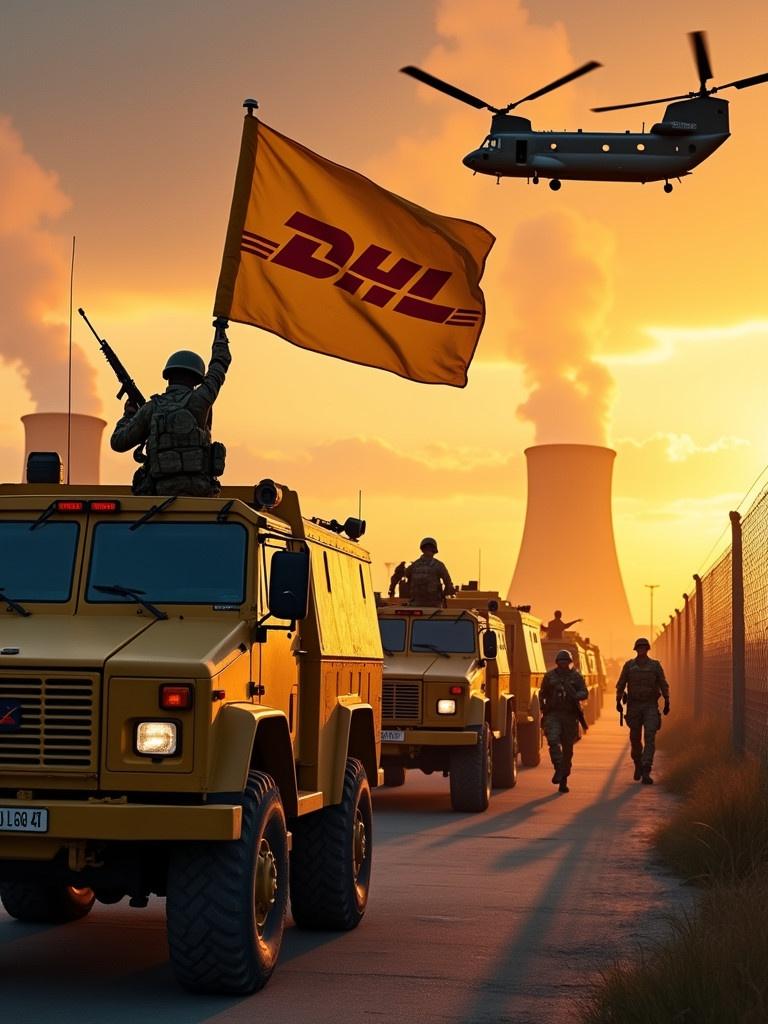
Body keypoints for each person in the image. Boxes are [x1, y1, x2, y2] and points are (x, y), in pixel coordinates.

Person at [111, 319, 231, 497]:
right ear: (197, 378)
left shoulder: (151, 408)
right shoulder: (200, 400)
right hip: (200, 493)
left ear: (168, 376)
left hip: (159, 494)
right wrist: (220, 333)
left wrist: (128, 415)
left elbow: (118, 442)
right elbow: (218, 367)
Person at [615, 637, 670, 785]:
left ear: (647, 649)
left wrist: (667, 700)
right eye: (639, 647)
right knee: (635, 738)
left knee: (650, 736)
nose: (641, 650)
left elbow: (663, 683)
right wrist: (618, 701)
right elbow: (621, 684)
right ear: (636, 649)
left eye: (644, 647)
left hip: (650, 705)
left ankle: (646, 768)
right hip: (634, 706)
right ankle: (638, 763)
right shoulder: (629, 666)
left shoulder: (655, 666)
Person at [540, 649, 589, 793]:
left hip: (569, 716)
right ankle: (559, 768)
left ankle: (563, 779)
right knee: (553, 740)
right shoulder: (549, 677)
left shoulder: (576, 676)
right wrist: (544, 705)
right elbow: (542, 693)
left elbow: (585, 692)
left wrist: (575, 695)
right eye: (561, 662)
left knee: (568, 750)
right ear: (557, 663)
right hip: (553, 714)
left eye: (566, 662)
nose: (563, 664)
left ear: (570, 662)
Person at [402, 538, 455, 607]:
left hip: (415, 604)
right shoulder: (438, 565)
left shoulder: (414, 565)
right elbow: (448, 584)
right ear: (434, 550)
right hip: (434, 605)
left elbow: (406, 577)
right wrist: (444, 595)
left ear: (422, 549)